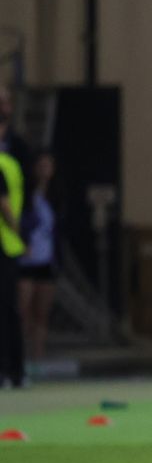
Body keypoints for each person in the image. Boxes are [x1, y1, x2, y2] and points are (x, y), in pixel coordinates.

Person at [17, 150, 59, 364]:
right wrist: (23, 243)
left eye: (48, 166)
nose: (45, 170)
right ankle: (20, 358)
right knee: (23, 312)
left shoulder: (55, 196)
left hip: (45, 261)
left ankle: (38, 358)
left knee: (41, 315)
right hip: (26, 261)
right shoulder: (25, 196)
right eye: (41, 166)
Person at [0, 148, 26, 389]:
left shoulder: (7, 164)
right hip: (9, 244)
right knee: (10, 311)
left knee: (8, 312)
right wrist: (21, 233)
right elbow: (6, 205)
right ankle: (14, 372)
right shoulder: (9, 163)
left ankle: (11, 371)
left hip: (5, 246)